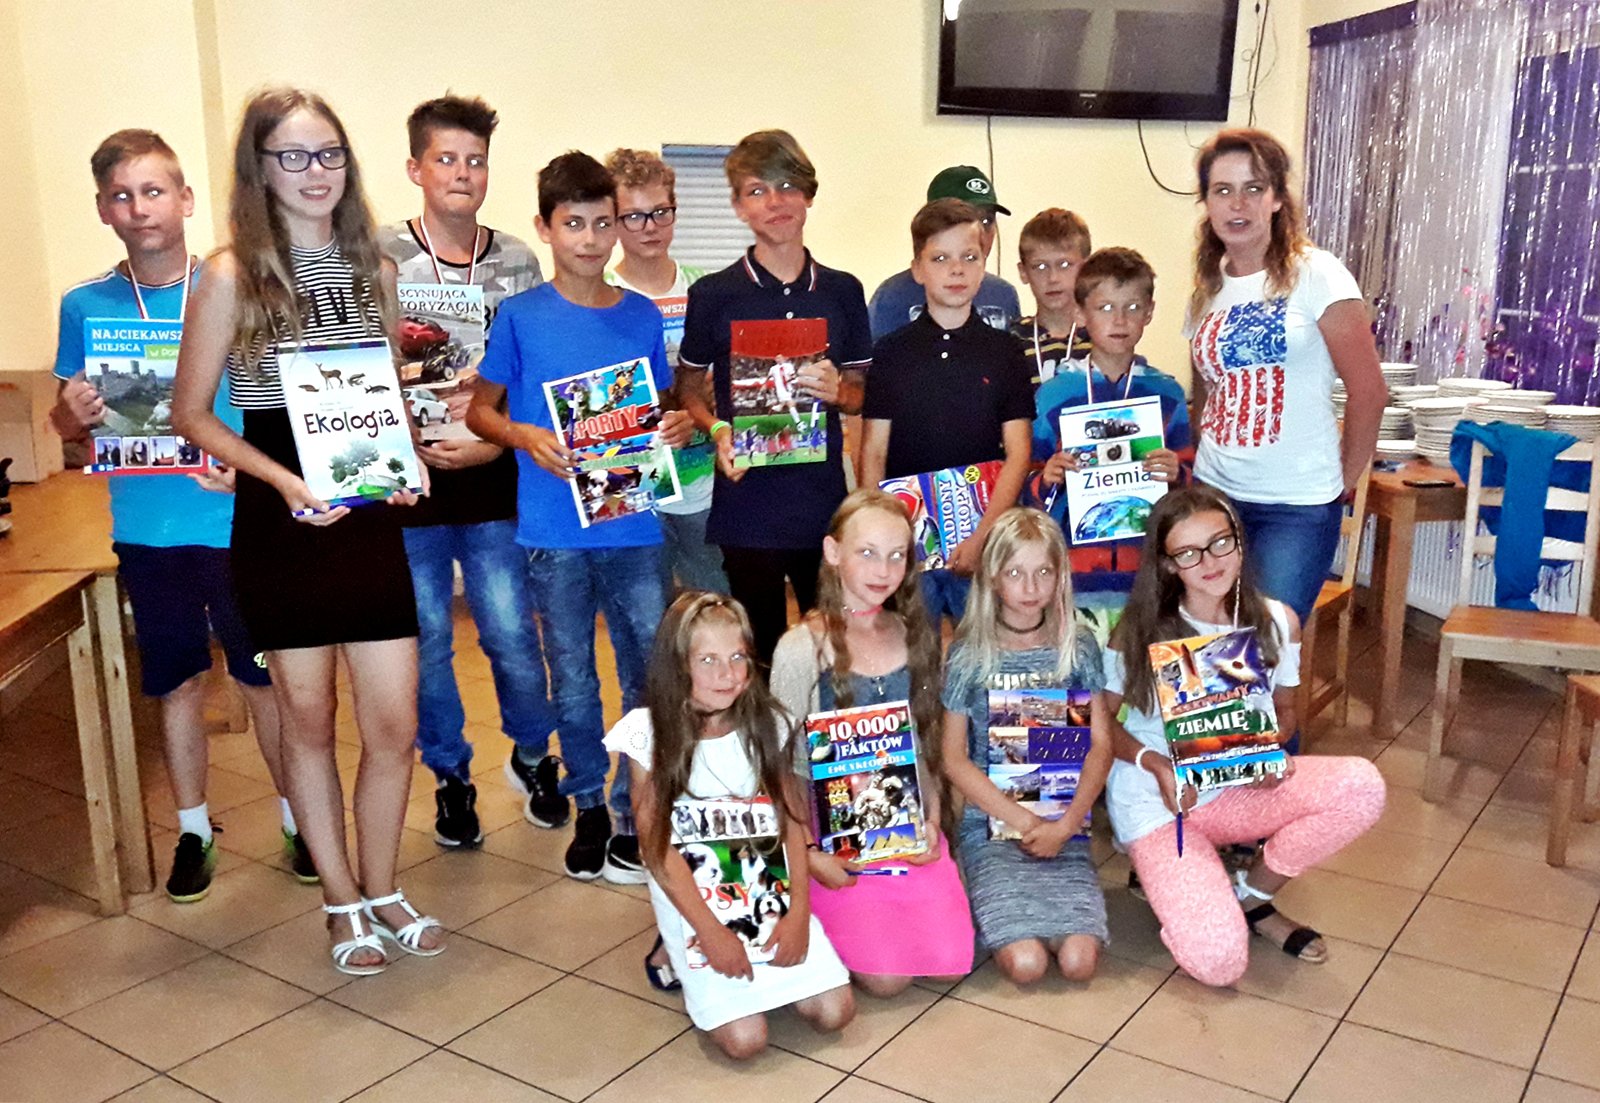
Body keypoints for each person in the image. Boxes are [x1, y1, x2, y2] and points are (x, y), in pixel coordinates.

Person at [173, 88, 443, 976]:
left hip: (364, 516)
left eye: (329, 152)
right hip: (281, 515)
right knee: (309, 720)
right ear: (259, 168)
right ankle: (340, 900)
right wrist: (283, 480)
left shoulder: (378, 270)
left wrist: (406, 459)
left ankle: (384, 884)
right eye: (292, 156)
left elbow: (383, 395)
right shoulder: (229, 275)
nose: (315, 171)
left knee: (394, 722)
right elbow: (190, 414)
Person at [50, 128, 304, 903]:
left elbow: (278, 405)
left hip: (235, 523)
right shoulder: (85, 305)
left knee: (264, 680)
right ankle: (193, 829)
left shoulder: (234, 288)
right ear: (103, 210)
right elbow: (71, 431)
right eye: (122, 195)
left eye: (154, 190)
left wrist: (249, 470)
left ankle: (299, 818)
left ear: (186, 199)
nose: (140, 207)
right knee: (178, 680)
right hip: (148, 528)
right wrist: (67, 415)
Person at [467, 151, 692, 883]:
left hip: (633, 524)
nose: (591, 239)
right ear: (545, 228)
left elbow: (659, 405)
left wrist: (677, 424)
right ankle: (589, 798)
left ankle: (634, 805)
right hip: (553, 530)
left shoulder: (639, 315)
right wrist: (523, 435)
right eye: (574, 224)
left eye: (603, 223)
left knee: (644, 672)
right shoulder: (521, 316)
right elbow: (480, 411)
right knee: (571, 675)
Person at [1103, 486, 1386, 985]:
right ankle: (1185, 881)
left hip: (1233, 788)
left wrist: (1263, 752)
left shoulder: (1278, 620)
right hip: (1159, 800)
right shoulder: (1139, 629)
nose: (1210, 562)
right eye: (1189, 553)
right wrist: (1156, 764)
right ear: (1167, 564)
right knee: (1219, 962)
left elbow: (1286, 713)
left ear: (1239, 541)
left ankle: (1250, 896)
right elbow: (1098, 723)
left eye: (1220, 543)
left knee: (1361, 786)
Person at [378, 94, 557, 850]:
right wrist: (399, 440)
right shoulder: (380, 252)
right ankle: (450, 773)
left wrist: (494, 442)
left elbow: (531, 372)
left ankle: (533, 754)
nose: (462, 173)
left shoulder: (516, 259)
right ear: (415, 168)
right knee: (426, 641)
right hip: (408, 485)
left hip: (492, 481)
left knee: (511, 633)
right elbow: (357, 362)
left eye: (475, 161)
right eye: (446, 159)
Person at [604, 591, 854, 1059]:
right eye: (708, 660)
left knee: (835, 1012)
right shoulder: (647, 733)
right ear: (677, 666)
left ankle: (752, 969)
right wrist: (711, 932)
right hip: (694, 898)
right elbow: (656, 848)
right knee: (745, 1041)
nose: (728, 674)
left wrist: (798, 914)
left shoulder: (768, 722)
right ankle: (679, 954)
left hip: (766, 889)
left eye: (738, 657)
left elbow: (790, 822)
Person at [770, 489, 975, 996]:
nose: (883, 570)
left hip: (905, 819)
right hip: (827, 832)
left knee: (950, 965)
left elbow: (925, 744)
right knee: (887, 981)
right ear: (832, 551)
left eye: (897, 555)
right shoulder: (801, 648)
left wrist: (932, 820)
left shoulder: (914, 635)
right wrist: (808, 852)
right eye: (867, 552)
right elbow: (777, 765)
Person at [677, 130, 872, 663]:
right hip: (747, 505)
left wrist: (841, 391)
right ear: (739, 207)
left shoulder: (843, 291)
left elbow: (861, 393)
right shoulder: (713, 294)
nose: (775, 202)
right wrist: (717, 430)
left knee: (831, 650)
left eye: (787, 186)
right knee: (758, 653)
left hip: (821, 504)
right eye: (757, 191)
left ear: (808, 195)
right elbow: (688, 388)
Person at [1185, 128, 1384, 626]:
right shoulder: (1207, 288)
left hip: (1295, 508)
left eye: (1253, 188)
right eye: (1223, 190)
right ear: (1207, 202)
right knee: (1211, 640)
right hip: (1214, 495)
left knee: (1268, 643)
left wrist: (1342, 481)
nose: (1238, 204)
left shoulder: (1317, 274)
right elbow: (1204, 392)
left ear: (1276, 198)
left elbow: (1369, 392)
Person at [940, 508, 1112, 984]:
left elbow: (1100, 745)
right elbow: (953, 758)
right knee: (1027, 964)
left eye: (1043, 572)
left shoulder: (1078, 646)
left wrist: (1067, 824)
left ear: (1060, 576)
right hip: (992, 824)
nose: (1031, 587)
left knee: (1079, 962)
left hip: (1063, 822)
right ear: (993, 578)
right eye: (1015, 573)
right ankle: (978, 886)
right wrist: (1025, 822)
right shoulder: (969, 653)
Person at [861, 198, 1035, 626]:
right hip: (907, 546)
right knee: (910, 652)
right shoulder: (890, 353)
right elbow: (873, 453)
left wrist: (983, 537)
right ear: (918, 269)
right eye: (940, 259)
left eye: (969, 258)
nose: (956, 270)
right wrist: (885, 539)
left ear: (983, 266)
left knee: (982, 655)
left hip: (983, 541)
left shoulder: (1007, 352)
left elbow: (1018, 454)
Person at [1031, 247, 1189, 599]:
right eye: (1105, 308)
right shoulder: (1055, 395)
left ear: (1149, 312)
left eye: (1132, 307)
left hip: (1147, 576)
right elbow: (1029, 480)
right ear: (1080, 313)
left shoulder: (1166, 394)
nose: (1119, 320)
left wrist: (1177, 473)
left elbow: (1190, 479)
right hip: (1073, 573)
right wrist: (1047, 477)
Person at [603, 147, 725, 595]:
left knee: (716, 608)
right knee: (645, 617)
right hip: (632, 487)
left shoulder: (707, 288)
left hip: (705, 483)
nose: (650, 227)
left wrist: (706, 407)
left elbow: (734, 381)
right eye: (634, 216)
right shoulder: (600, 294)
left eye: (660, 212)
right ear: (612, 221)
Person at [868, 166, 1020, 339]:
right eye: (960, 219)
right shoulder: (891, 297)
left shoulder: (1003, 294)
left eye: (987, 221)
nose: (979, 231)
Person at [1010, 208, 1093, 388]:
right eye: (1040, 267)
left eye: (1064, 264)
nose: (1053, 278)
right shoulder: (1011, 341)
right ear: (1023, 272)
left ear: (1086, 269)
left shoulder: (1101, 338)